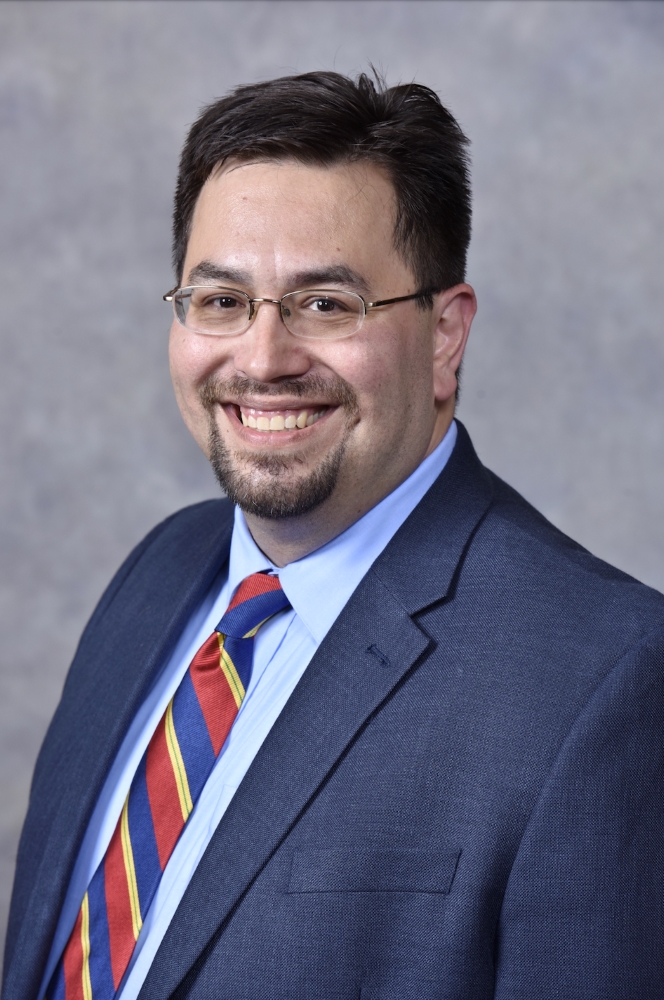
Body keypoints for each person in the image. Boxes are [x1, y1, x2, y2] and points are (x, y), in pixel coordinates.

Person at [3, 71, 664, 1000]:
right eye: (222, 300)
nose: (263, 360)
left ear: (445, 335)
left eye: (325, 304)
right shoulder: (159, 575)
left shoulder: (606, 681)